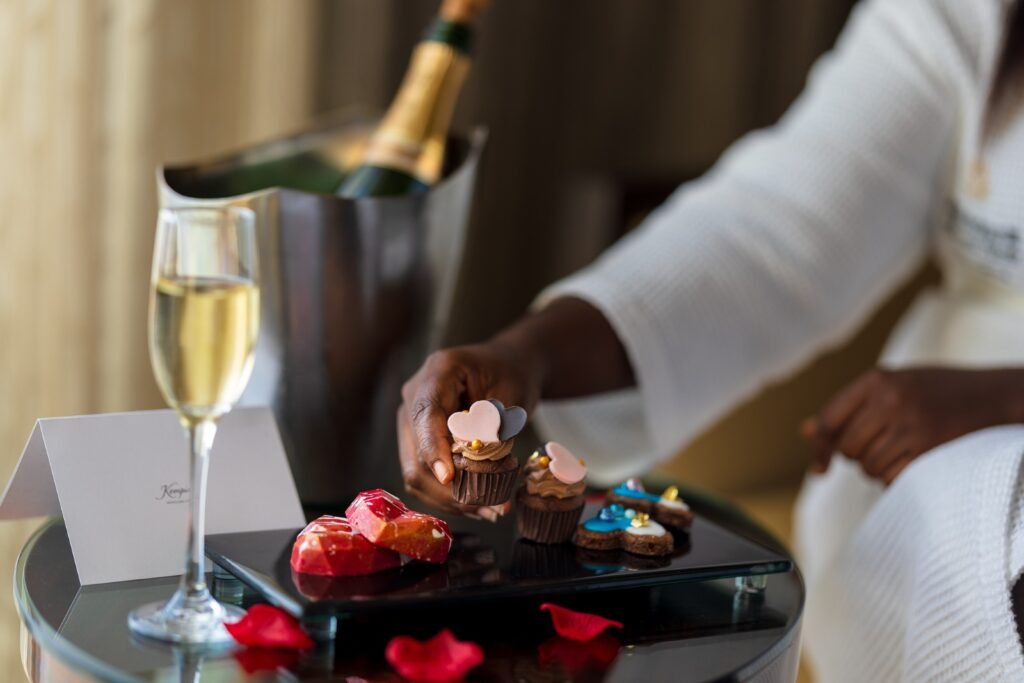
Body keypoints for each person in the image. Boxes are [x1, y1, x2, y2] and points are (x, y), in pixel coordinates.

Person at [398, 0, 1024, 679]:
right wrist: (529, 353)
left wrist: (1006, 396)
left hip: (960, 475)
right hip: (911, 482)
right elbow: (777, 228)